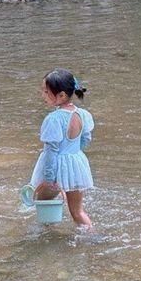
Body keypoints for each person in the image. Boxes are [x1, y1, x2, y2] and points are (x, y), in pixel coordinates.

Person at [30, 68, 94, 228]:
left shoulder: (54, 119)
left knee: (41, 201)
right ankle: (93, 236)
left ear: (61, 95)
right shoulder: (83, 114)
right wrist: (72, 155)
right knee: (77, 211)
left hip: (56, 166)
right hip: (76, 164)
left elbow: (51, 151)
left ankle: (47, 237)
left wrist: (50, 180)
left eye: (46, 92)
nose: (42, 95)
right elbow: (85, 139)